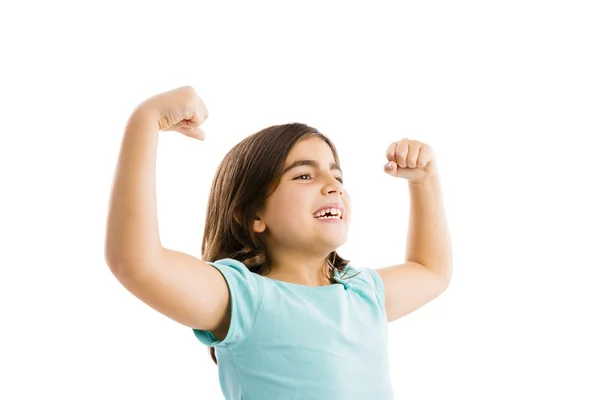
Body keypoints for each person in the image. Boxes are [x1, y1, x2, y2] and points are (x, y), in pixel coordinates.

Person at [105, 86, 453, 399]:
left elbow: (431, 269)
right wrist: (146, 120)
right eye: (304, 175)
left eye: (337, 175)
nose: (333, 185)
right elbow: (137, 263)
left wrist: (425, 181)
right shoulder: (242, 297)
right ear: (253, 215)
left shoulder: (364, 295)